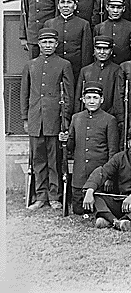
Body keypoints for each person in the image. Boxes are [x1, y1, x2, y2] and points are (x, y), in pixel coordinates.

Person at [21, 28, 74, 210]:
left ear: (56, 44)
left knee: (54, 159)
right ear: (39, 44)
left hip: (55, 119)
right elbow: (24, 93)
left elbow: (68, 95)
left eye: (51, 42)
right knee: (38, 159)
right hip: (36, 118)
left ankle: (54, 196)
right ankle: (40, 196)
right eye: (44, 42)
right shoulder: (31, 65)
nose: (47, 45)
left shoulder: (64, 64)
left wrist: (65, 118)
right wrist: (25, 118)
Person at [81, 127, 131, 231]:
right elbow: (102, 172)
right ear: (128, 144)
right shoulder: (119, 157)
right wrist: (89, 191)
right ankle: (114, 221)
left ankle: (126, 220)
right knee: (93, 191)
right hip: (122, 201)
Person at [59, 81, 119, 215]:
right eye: (88, 98)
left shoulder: (109, 120)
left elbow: (113, 151)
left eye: (95, 98)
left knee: (99, 208)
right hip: (79, 177)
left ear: (101, 100)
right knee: (79, 210)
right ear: (83, 99)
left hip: (99, 176)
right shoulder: (76, 118)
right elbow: (70, 146)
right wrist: (64, 139)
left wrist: (109, 177)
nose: (92, 101)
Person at [75, 36, 125, 137]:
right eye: (98, 48)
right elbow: (78, 98)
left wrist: (119, 119)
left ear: (111, 51)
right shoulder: (85, 71)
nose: (102, 52)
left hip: (108, 117)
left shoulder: (117, 70)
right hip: (87, 117)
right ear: (94, 50)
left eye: (105, 49)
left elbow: (118, 98)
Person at [44, 0, 93, 84]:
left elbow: (86, 51)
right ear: (58, 6)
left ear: (75, 6)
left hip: (75, 69)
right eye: (62, 2)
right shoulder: (50, 24)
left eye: (69, 2)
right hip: (54, 67)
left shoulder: (83, 24)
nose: (65, 5)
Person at [93, 0, 131, 65]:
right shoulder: (99, 28)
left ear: (124, 9)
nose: (115, 11)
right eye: (112, 7)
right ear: (107, 7)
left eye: (119, 7)